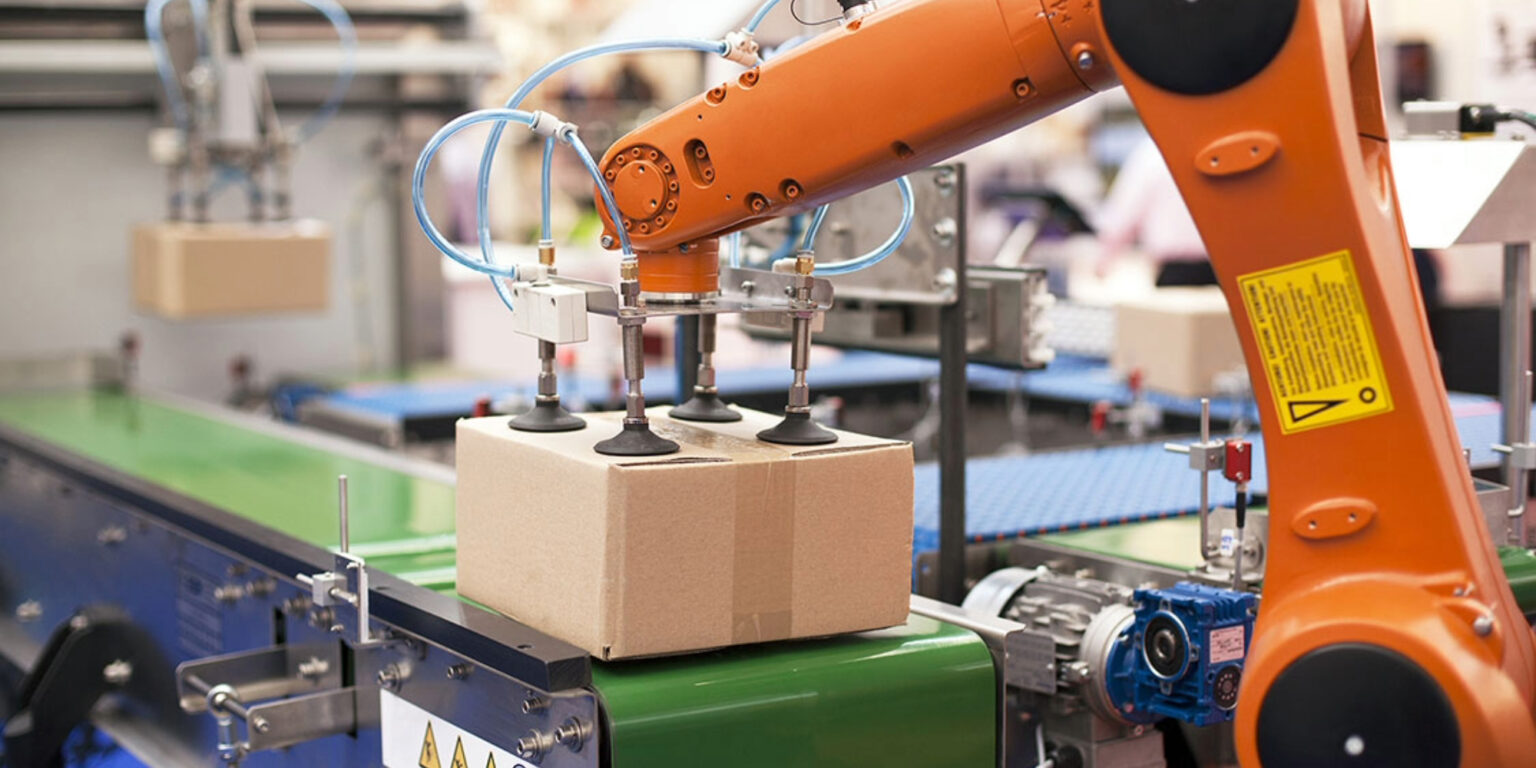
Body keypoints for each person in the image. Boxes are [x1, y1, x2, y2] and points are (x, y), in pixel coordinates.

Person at [1094, 134, 1215, 287]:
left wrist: (1103, 262)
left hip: (1176, 273)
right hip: (1227, 269)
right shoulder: (1215, 147)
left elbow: (1126, 214)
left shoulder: (1151, 153)